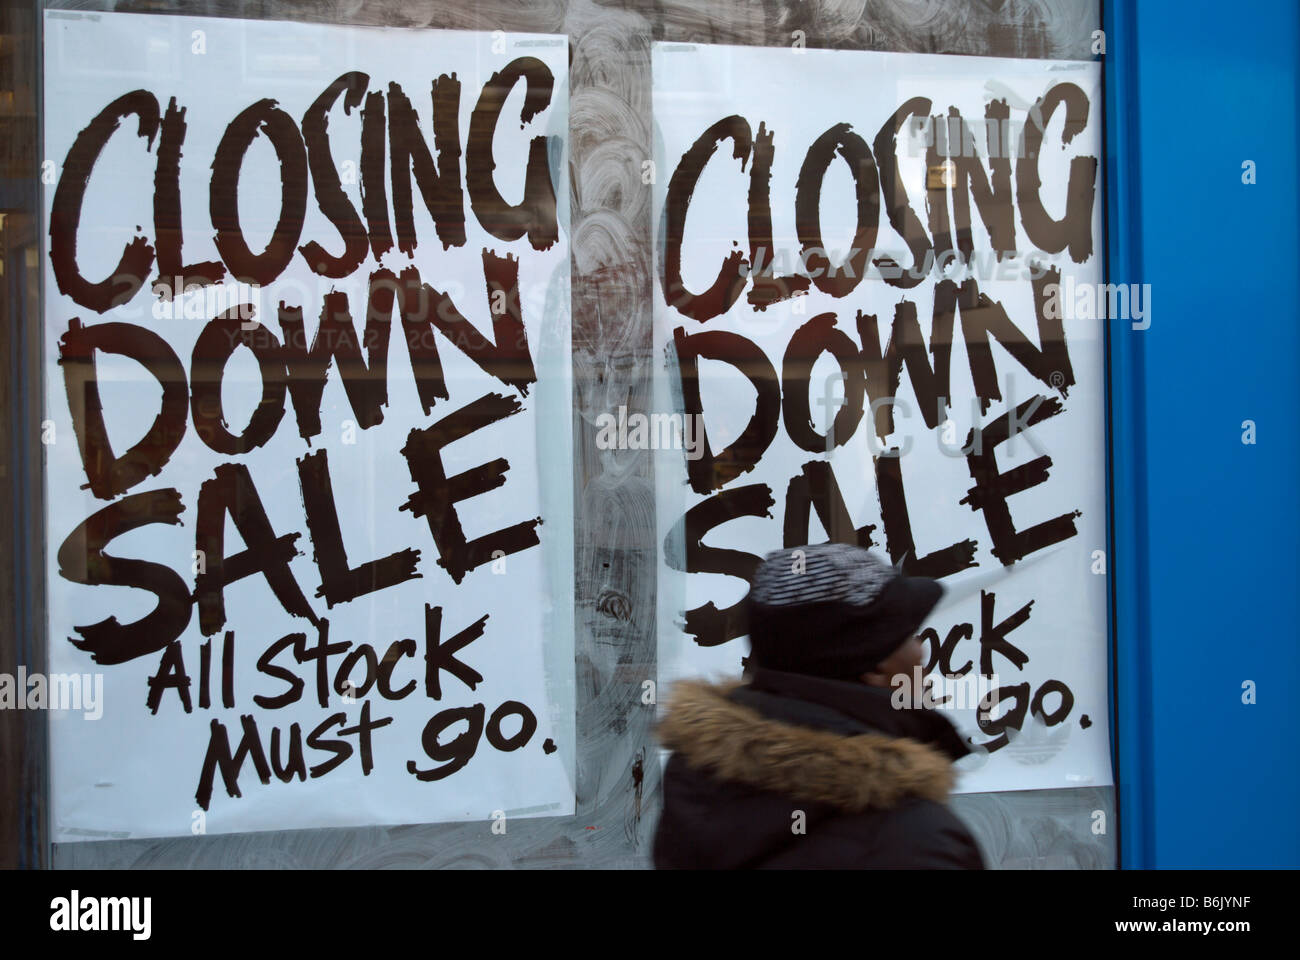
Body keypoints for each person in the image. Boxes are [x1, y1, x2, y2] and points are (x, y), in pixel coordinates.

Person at [653, 543, 984, 869]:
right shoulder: (917, 842)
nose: (922, 651)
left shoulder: (696, 790)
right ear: (875, 665)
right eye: (910, 634)